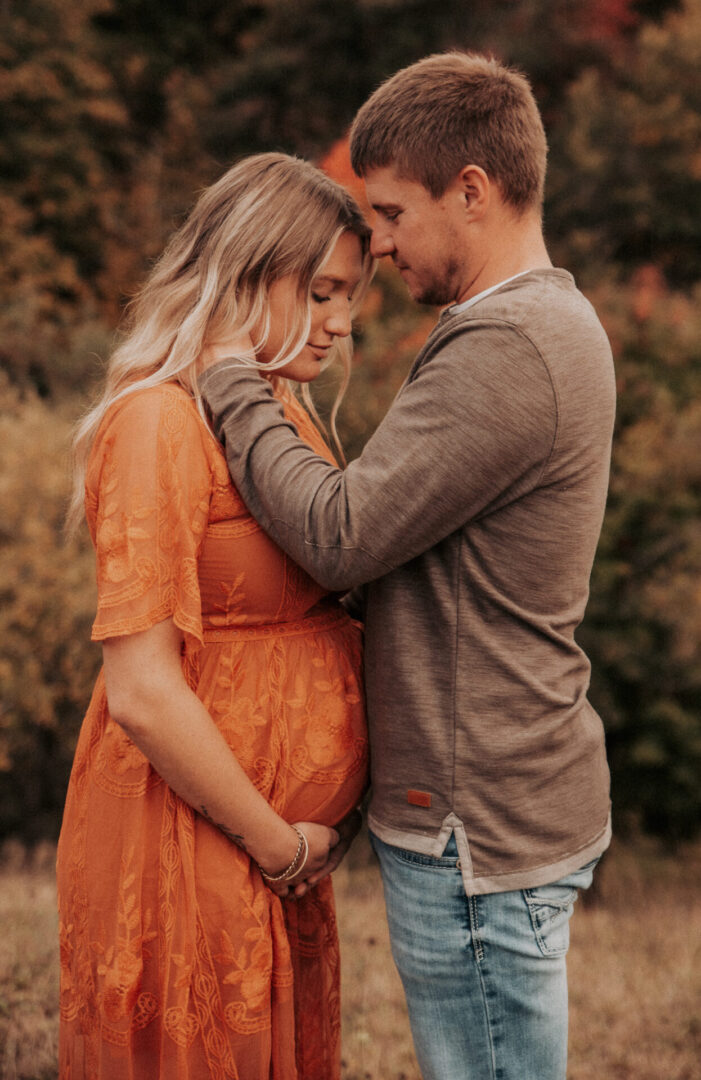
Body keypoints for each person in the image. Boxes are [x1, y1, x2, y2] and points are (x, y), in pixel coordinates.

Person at [197, 53, 617, 1080]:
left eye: (388, 213)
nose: (376, 245)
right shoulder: (534, 327)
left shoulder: (507, 346)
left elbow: (341, 533)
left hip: (473, 824)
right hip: (499, 803)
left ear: (470, 191)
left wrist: (230, 382)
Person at [57, 152, 375, 1080]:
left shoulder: (285, 415)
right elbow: (143, 691)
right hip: (191, 839)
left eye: (351, 296)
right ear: (246, 271)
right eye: (320, 291)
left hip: (270, 852)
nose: (341, 322)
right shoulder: (159, 420)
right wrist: (279, 845)